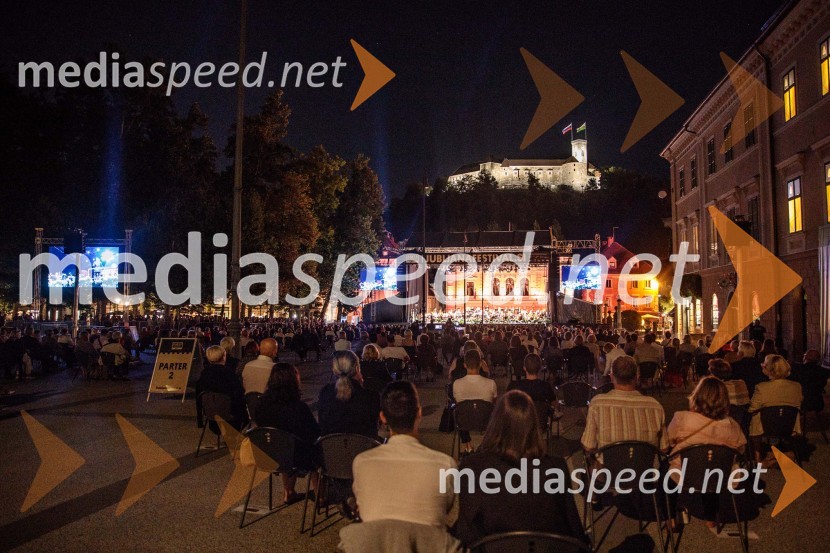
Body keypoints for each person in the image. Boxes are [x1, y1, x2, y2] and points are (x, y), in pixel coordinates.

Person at [453, 390, 586, 547]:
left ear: (495, 423)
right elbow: (572, 527)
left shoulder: (472, 467)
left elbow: (467, 532)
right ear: (533, 426)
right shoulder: (555, 467)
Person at [352, 381, 456, 527]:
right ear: (419, 413)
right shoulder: (445, 465)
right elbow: (445, 506)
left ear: (383, 417)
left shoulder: (362, 463)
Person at [666, 377, 746, 530]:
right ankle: (711, 516)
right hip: (719, 477)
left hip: (684, 474)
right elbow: (740, 449)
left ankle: (670, 516)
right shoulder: (732, 425)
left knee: (666, 469)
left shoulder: (682, 418)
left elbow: (669, 441)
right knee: (714, 463)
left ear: (697, 396)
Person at [254, 363, 320, 503]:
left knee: (284, 443)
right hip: (294, 456)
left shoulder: (261, 405)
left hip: (267, 452)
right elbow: (314, 434)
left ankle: (288, 491)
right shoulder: (298, 408)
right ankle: (321, 494)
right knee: (317, 448)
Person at [582, 355, 668, 456]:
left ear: (612, 376)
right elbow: (664, 448)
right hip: (645, 470)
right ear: (637, 377)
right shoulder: (655, 406)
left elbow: (588, 446)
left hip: (609, 469)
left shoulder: (597, 403)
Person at [748, 354, 803, 463]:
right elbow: (799, 404)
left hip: (766, 426)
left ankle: (757, 453)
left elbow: (751, 408)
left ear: (769, 369)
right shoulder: (797, 386)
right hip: (789, 424)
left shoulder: (761, 387)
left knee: (755, 416)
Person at [318, 351, 380, 438]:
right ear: (357, 368)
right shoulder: (371, 396)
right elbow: (375, 426)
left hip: (331, 448)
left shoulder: (325, 393)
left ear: (334, 369)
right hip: (364, 448)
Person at [452, 349, 497, 453]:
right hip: (486, 420)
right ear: (481, 364)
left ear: (464, 365)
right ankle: (486, 445)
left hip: (464, 421)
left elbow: (458, 402)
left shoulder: (457, 384)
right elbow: (494, 403)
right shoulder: (491, 383)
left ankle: (468, 445)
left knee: (461, 411)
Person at [196, 345, 246, 428]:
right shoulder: (229, 374)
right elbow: (239, 395)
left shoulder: (203, 375)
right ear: (223, 357)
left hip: (211, 416)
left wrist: (200, 420)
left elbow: (198, 398)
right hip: (231, 419)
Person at [789, 349, 828, 415]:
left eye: (804, 355)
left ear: (806, 357)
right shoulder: (823, 372)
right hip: (817, 402)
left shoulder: (797, 369)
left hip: (801, 402)